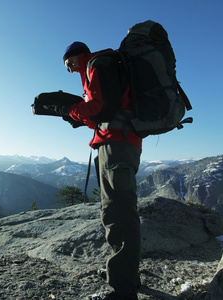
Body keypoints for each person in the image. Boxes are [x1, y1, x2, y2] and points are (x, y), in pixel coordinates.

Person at [49, 42, 142, 300]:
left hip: (117, 144)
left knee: (118, 211)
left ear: (76, 56)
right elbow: (106, 109)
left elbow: (103, 107)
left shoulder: (97, 65)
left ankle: (123, 289)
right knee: (113, 209)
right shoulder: (99, 67)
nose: (68, 70)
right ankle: (124, 273)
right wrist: (80, 118)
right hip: (118, 141)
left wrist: (71, 110)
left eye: (68, 64)